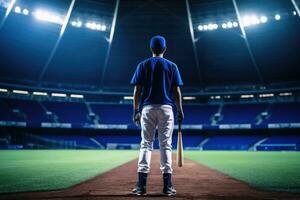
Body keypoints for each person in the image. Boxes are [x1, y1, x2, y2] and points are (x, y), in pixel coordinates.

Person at [130, 35, 184, 196]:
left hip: (147, 108)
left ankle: (141, 186)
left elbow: (137, 91)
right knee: (165, 145)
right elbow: (176, 91)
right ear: (165, 49)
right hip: (167, 108)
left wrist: (135, 110)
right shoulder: (172, 66)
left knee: (146, 144)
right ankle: (167, 187)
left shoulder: (143, 65)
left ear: (151, 49)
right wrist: (180, 110)